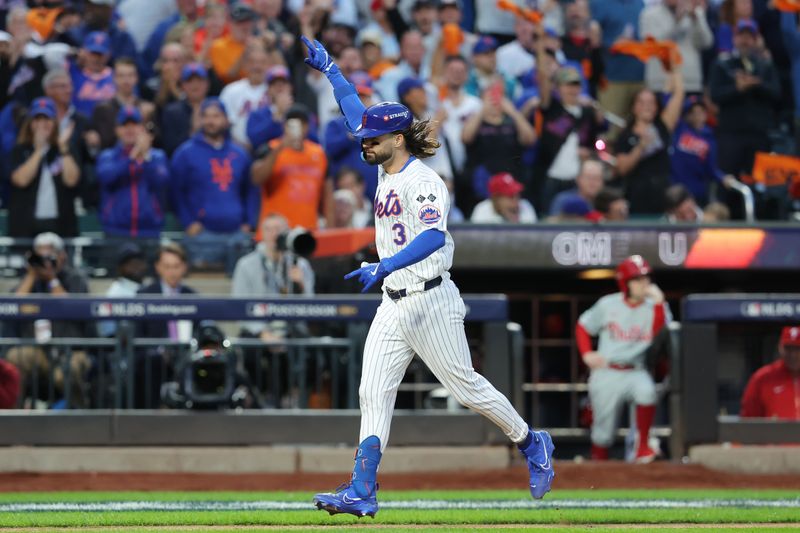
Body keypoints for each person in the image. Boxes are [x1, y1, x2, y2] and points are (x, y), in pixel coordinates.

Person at [302, 36, 554, 517]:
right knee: (372, 391)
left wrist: (384, 264)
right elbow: (356, 113)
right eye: (365, 138)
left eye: (373, 138)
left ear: (397, 139)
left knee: (466, 389)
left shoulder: (424, 180)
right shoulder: (384, 161)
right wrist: (333, 69)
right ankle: (362, 489)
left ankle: (530, 440)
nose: (364, 141)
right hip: (394, 303)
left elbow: (434, 237)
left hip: (431, 296)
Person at [575, 255, 669, 463]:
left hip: (636, 369)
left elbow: (658, 334)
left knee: (647, 392)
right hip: (608, 370)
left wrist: (659, 304)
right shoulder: (608, 304)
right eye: (637, 280)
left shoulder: (656, 306)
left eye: (646, 279)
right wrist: (586, 353)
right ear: (625, 283)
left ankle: (642, 447)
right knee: (603, 432)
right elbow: (583, 326)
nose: (643, 285)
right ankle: (600, 463)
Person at [4, 232, 93, 408]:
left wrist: (52, 278)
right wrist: (31, 274)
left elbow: (69, 307)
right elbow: (13, 306)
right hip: (37, 350)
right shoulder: (28, 281)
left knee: (68, 371)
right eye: (39, 257)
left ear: (62, 256)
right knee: (16, 357)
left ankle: (82, 416)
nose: (45, 262)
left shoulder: (75, 279)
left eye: (50, 256)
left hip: (70, 349)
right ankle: (14, 419)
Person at [170, 97, 257, 272]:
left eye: (216, 116)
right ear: (200, 119)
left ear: (226, 119)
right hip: (202, 236)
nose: (211, 121)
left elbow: (251, 191)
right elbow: (175, 192)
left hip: (237, 234)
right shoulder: (185, 153)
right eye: (206, 116)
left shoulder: (240, 154)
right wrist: (188, 223)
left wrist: (249, 222)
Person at [614, 48, 685, 215]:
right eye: (642, 102)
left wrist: (673, 66)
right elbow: (622, 168)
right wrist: (641, 147)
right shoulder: (625, 135)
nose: (647, 106)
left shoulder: (662, 126)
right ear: (634, 107)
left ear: (656, 107)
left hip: (662, 194)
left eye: (651, 102)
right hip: (636, 194)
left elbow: (679, 94)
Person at [709, 19, 781, 181]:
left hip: (758, 135)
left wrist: (757, 84)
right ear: (734, 38)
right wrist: (737, 89)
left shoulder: (765, 65)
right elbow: (715, 95)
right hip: (731, 135)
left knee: (759, 184)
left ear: (756, 40)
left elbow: (777, 95)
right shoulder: (722, 64)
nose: (745, 41)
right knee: (728, 182)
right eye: (742, 36)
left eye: (750, 37)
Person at [251, 104, 331, 238]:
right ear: (284, 126)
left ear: (308, 126)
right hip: (275, 234)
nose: (298, 128)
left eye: (302, 123)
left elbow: (328, 194)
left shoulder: (319, 153)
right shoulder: (270, 149)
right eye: (292, 123)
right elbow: (256, 178)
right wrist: (280, 147)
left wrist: (330, 229)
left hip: (307, 233)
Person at [232, 214, 315, 342]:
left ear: (287, 233)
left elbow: (313, 307)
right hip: (257, 330)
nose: (273, 234)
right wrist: (262, 333)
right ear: (262, 233)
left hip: (292, 331)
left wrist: (302, 285)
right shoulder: (246, 264)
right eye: (268, 229)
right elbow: (238, 306)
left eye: (278, 229)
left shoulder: (300, 264)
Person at [8, 97, 80, 237]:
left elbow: (71, 180)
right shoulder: (19, 150)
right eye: (37, 119)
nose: (42, 124)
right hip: (25, 227)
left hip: (61, 227)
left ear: (54, 122)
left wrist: (63, 147)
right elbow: (21, 180)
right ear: (30, 123)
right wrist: (39, 151)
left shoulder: (66, 149)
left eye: (46, 119)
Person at [135, 242, 196, 408]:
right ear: (158, 268)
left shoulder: (192, 296)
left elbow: (199, 330)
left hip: (186, 355)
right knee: (149, 363)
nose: (172, 271)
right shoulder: (145, 295)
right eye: (167, 266)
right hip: (156, 356)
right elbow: (138, 335)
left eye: (176, 266)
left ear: (184, 267)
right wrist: (160, 349)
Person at [96, 105, 169, 238]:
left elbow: (161, 181)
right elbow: (107, 178)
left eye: (134, 124)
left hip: (149, 230)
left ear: (142, 129)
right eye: (124, 125)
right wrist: (132, 158)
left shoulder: (157, 156)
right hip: (115, 231)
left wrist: (146, 156)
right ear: (117, 130)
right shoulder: (108, 156)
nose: (129, 129)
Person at [669, 96, 736, 207]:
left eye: (701, 111)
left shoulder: (710, 137)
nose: (697, 114)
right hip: (676, 191)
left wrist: (723, 177)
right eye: (692, 112)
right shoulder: (679, 129)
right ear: (686, 115)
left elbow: (711, 168)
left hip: (698, 192)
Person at [740, 326, 800, 420]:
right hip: (774, 434)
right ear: (780, 347)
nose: (793, 355)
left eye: (797, 349)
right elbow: (748, 420)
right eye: (788, 348)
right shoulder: (763, 377)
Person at [97, 242, 149, 338]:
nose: (136, 266)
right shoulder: (114, 292)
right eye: (130, 263)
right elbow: (107, 332)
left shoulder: (149, 289)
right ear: (121, 268)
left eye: (139, 262)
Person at [470, 172, 537, 224]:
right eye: (510, 197)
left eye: (517, 195)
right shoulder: (482, 210)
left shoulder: (526, 205)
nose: (516, 201)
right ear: (496, 199)